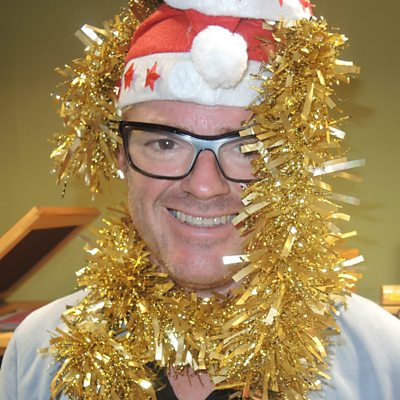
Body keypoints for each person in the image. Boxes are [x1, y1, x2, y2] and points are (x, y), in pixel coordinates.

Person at [1, 1, 400, 399]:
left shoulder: (383, 361)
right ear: (121, 156)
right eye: (166, 143)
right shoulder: (38, 356)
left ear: (290, 165)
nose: (205, 186)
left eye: (245, 148)